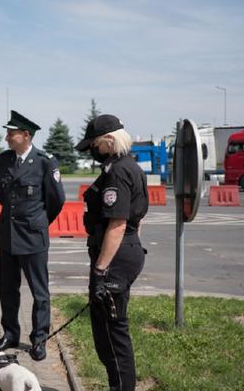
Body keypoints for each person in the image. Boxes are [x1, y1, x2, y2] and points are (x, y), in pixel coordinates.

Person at [74, 114, 148, 391]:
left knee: (113, 335)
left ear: (108, 140)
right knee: (107, 331)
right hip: (123, 253)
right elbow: (136, 221)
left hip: (114, 258)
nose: (92, 150)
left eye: (94, 144)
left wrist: (101, 270)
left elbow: (117, 225)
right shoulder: (129, 167)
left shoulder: (117, 171)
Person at [0, 110, 65, 361]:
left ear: (26, 135)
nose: (6, 137)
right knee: (8, 290)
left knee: (39, 292)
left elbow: (56, 200)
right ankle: (10, 333)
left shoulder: (45, 162)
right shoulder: (3, 160)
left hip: (33, 236)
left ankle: (39, 339)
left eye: (11, 134)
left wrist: (39, 222)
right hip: (8, 236)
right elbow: (3, 197)